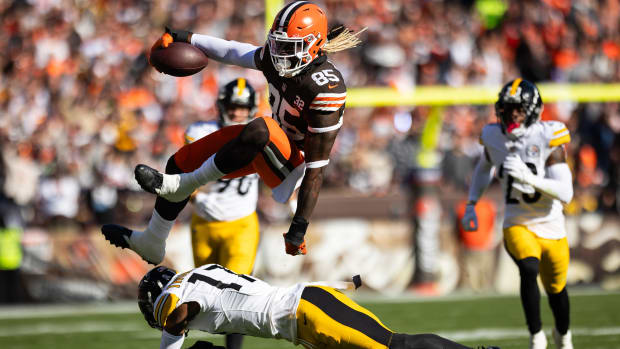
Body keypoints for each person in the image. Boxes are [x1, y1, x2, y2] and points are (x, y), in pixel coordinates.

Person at [102, 1, 364, 264]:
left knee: (261, 127)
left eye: (289, 47)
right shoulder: (276, 60)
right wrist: (186, 37)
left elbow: (316, 169)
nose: (280, 53)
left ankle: (185, 185)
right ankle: (153, 240)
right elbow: (231, 50)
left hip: (293, 167)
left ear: (314, 44)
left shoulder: (325, 89)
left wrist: (299, 227)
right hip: (264, 146)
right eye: (277, 44)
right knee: (180, 161)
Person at [138, 264, 500, 349]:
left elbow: (176, 312)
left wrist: (170, 339)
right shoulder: (204, 272)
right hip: (305, 314)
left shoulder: (178, 290)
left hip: (307, 313)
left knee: (396, 345)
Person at [461, 79, 574, 349]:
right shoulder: (492, 135)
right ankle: (536, 336)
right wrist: (471, 203)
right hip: (517, 221)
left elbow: (566, 193)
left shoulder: (548, 136)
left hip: (551, 224)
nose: (513, 115)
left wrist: (529, 178)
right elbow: (483, 166)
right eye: (509, 109)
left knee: (556, 289)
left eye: (519, 110)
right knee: (528, 267)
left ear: (533, 111)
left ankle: (563, 335)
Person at [184, 78, 261, 349]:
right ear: (221, 106)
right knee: (202, 293)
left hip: (241, 225)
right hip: (204, 223)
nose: (238, 112)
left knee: (235, 293)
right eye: (233, 106)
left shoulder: (262, 135)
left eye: (243, 107)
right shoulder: (201, 132)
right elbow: (181, 176)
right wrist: (196, 197)